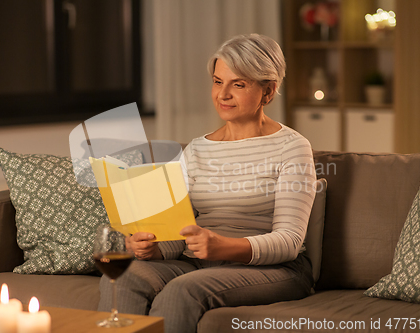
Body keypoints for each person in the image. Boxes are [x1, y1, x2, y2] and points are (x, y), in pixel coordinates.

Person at [98, 33, 316, 333]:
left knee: (182, 290)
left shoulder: (292, 147)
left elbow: (289, 242)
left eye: (238, 84)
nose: (222, 94)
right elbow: (181, 231)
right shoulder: (197, 149)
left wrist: (221, 246)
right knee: (125, 275)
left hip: (274, 269)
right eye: (217, 81)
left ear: (268, 91)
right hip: (199, 263)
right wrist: (154, 249)